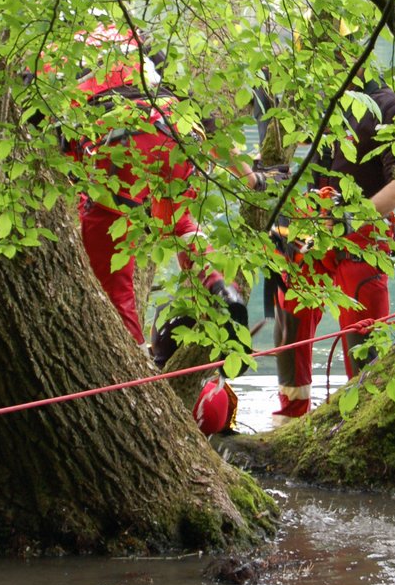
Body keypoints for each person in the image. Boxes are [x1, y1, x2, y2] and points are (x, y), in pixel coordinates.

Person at [44, 23, 261, 349]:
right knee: (179, 223)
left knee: (111, 266)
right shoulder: (134, 37)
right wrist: (248, 175)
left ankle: (132, 358)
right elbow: (199, 109)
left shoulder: (49, 54)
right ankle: (220, 287)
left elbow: (52, 139)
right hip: (174, 129)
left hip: (117, 142)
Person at [272, 71, 395, 424]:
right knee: (288, 304)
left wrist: (354, 218)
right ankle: (288, 418)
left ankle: (359, 420)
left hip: (362, 233)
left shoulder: (394, 107)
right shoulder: (322, 99)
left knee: (362, 332)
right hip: (312, 224)